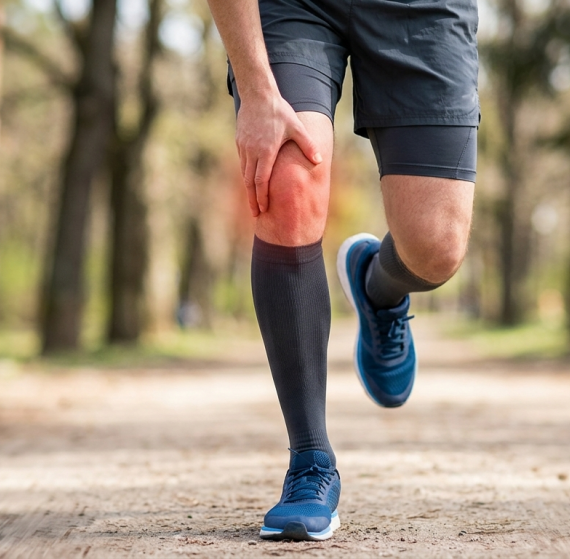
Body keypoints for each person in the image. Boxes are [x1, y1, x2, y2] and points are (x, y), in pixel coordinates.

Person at [206, 0, 479, 542]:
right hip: (290, 7)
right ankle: (311, 463)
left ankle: (379, 287)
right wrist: (258, 93)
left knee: (436, 249)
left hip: (421, 11)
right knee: (287, 183)